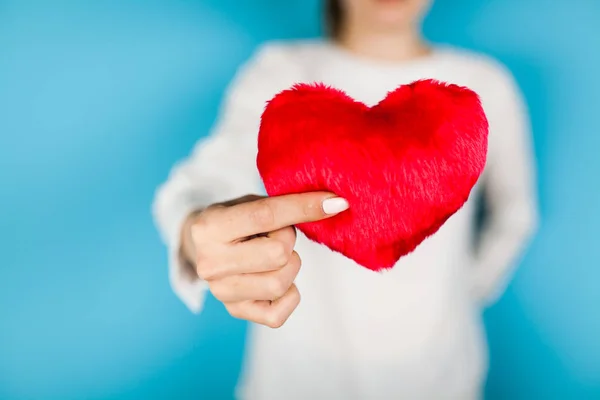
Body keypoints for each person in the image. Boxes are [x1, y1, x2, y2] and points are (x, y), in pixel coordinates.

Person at [152, 0, 539, 398]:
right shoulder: (280, 70)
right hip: (295, 377)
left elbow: (514, 215)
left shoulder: (485, 84)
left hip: (439, 375)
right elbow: (205, 182)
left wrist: (459, 294)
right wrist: (198, 233)